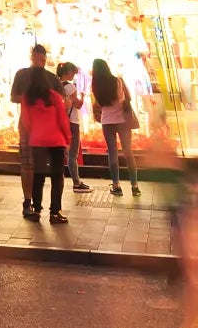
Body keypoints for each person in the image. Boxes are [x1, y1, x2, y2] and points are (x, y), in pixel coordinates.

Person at [17, 64, 71, 222]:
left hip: (37, 141)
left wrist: (34, 132)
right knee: (57, 177)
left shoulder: (27, 98)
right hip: (56, 141)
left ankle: (37, 209)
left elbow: (26, 121)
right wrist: (67, 138)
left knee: (38, 176)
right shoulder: (53, 96)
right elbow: (62, 118)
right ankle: (55, 213)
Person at [89, 59, 136, 196]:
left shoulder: (95, 85)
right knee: (128, 152)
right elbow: (126, 98)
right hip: (122, 120)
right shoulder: (117, 81)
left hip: (107, 121)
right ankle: (134, 185)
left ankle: (116, 185)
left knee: (112, 153)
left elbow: (98, 103)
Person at [56, 61, 91, 192]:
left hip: (63, 121)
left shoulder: (58, 85)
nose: (73, 76)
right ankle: (76, 182)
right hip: (72, 121)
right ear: (68, 72)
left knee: (67, 152)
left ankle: (74, 180)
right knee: (73, 153)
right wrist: (82, 96)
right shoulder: (70, 87)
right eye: (72, 73)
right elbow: (78, 105)